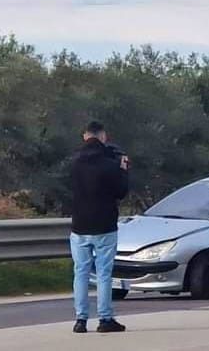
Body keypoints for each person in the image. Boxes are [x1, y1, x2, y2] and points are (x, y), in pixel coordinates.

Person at [69, 121, 129, 334]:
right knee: (104, 273)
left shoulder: (74, 162)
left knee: (81, 273)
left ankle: (80, 320)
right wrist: (123, 169)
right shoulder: (110, 164)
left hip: (79, 225)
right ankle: (105, 319)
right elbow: (121, 191)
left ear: (85, 136)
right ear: (103, 136)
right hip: (104, 224)